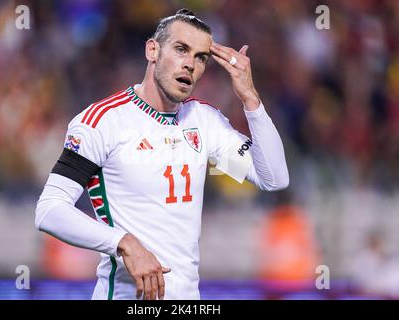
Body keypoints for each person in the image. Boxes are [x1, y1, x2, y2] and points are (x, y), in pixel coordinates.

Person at [35, 8, 289, 300]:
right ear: (152, 50)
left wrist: (250, 98)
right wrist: (123, 242)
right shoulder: (103, 122)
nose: (190, 65)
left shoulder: (203, 123)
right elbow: (50, 210)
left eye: (200, 57)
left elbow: (273, 178)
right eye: (181, 49)